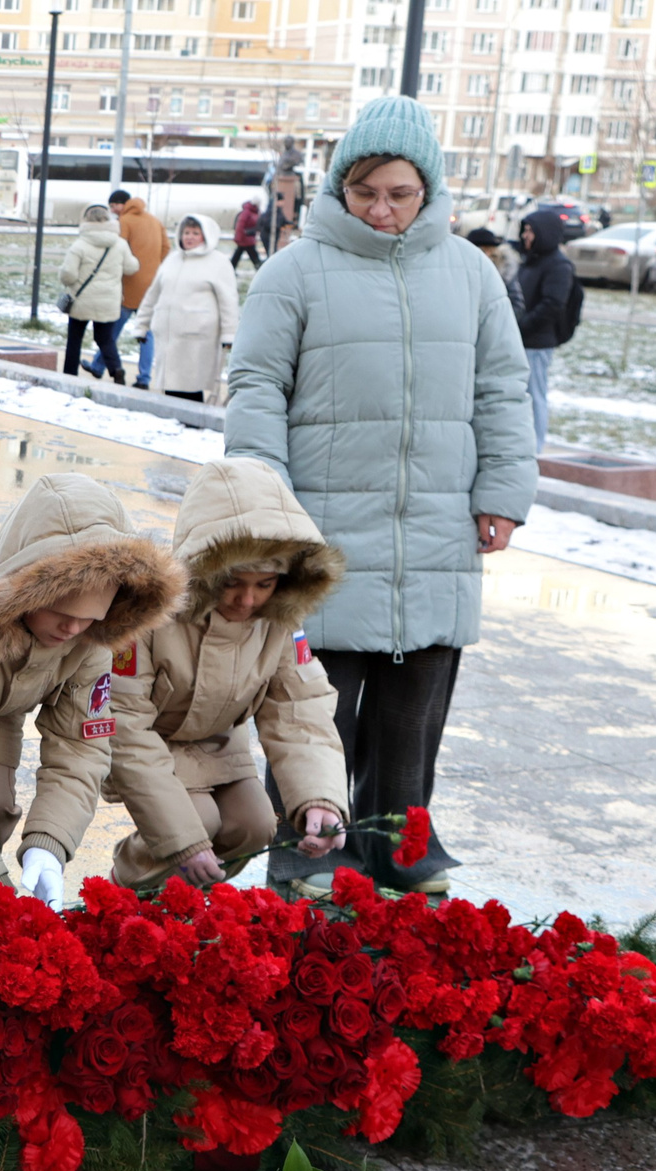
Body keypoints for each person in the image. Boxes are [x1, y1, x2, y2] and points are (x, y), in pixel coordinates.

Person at [225, 94, 537, 895]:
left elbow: (503, 389)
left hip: (434, 530)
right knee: (314, 708)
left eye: (400, 193)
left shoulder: (470, 273)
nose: (382, 209)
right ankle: (308, 851)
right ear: (341, 187)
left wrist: (501, 490)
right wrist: (266, 509)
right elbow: (256, 388)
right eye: (366, 192)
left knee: (414, 708)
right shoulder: (295, 271)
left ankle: (405, 844)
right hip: (323, 535)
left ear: (427, 189)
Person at [0, 471, 184, 901]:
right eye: (61, 611)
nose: (73, 628)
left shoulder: (92, 636)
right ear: (23, 591)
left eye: (90, 615)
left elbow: (79, 745)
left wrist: (49, 845)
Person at [105, 457, 348, 888]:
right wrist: (183, 841)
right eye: (233, 580)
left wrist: (320, 798)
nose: (248, 600)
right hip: (149, 747)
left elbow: (299, 708)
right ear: (203, 569)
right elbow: (123, 724)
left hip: (216, 745)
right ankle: (125, 895)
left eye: (265, 583)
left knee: (254, 826)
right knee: (193, 824)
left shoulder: (280, 622)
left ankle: (184, 901)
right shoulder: (149, 613)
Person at [133, 212, 238, 404]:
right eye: (186, 232)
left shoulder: (218, 262)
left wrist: (229, 334)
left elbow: (228, 300)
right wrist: (142, 324)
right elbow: (153, 294)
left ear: (206, 235)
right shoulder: (172, 260)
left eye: (195, 233)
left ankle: (191, 425)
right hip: (168, 336)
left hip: (197, 337)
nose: (189, 237)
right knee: (170, 385)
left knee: (190, 386)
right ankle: (176, 425)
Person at [514, 209, 577, 448]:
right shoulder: (532, 260)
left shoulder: (558, 265)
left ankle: (536, 446)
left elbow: (552, 305)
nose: (525, 236)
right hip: (522, 339)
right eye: (525, 230)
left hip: (537, 343)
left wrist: (521, 326)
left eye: (530, 231)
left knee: (534, 396)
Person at [58, 203, 136, 380]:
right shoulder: (120, 244)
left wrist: (63, 277)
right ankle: (116, 369)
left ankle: (69, 375)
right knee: (105, 338)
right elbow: (131, 267)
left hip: (81, 300)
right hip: (108, 301)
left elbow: (68, 275)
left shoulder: (80, 245)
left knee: (74, 340)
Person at [108, 188, 167, 385]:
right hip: (152, 284)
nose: (113, 210)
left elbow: (118, 251)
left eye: (114, 205)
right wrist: (155, 267)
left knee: (112, 330)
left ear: (123, 204)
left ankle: (100, 365)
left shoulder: (124, 222)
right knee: (147, 333)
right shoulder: (155, 221)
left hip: (130, 283)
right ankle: (144, 377)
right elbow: (166, 248)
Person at [231, 199, 264, 272]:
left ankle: (231, 269)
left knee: (237, 256)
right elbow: (240, 225)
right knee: (254, 257)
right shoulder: (247, 212)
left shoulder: (255, 212)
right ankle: (260, 269)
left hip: (248, 238)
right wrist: (238, 238)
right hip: (245, 239)